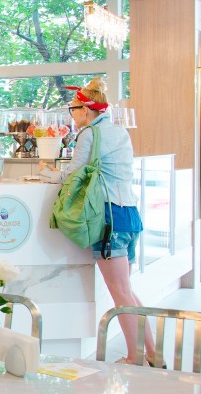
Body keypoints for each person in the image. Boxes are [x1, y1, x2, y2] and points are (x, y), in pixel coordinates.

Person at [40, 79, 157, 366]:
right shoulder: (119, 131)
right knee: (127, 290)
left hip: (108, 218)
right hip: (129, 215)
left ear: (85, 109)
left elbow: (72, 174)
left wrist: (48, 173)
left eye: (73, 109)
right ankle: (154, 355)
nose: (72, 115)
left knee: (120, 293)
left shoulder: (90, 134)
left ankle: (135, 357)